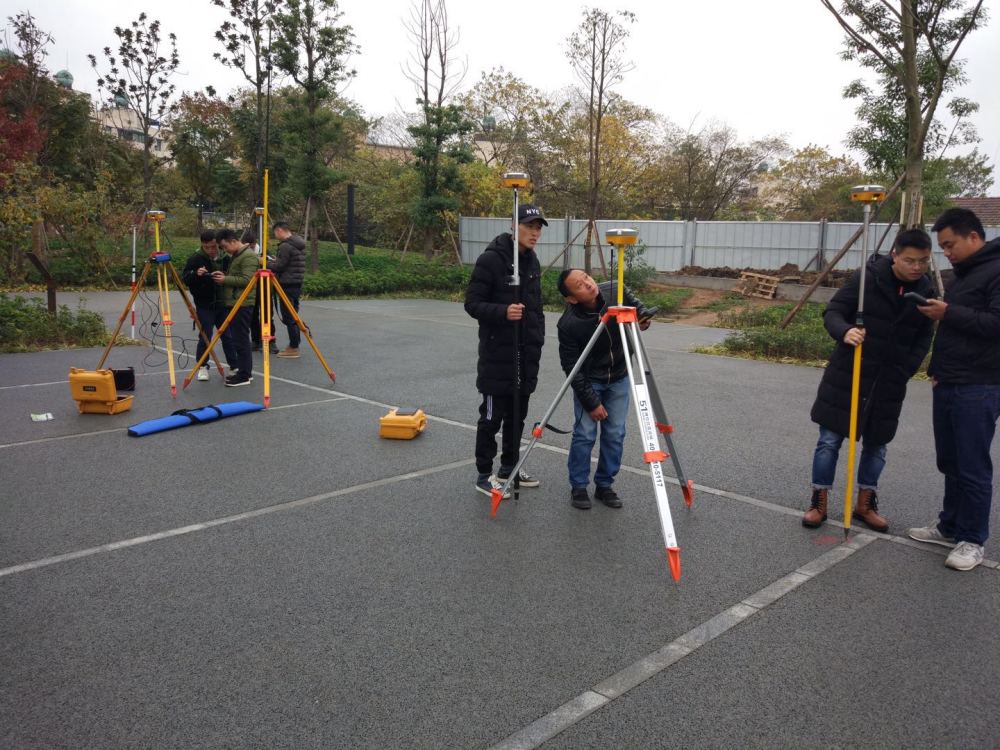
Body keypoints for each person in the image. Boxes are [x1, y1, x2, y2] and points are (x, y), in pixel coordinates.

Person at [803, 229, 935, 532]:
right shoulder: (867, 280)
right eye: (910, 260)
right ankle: (818, 500)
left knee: (877, 445)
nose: (917, 267)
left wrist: (906, 368)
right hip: (848, 375)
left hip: (889, 381)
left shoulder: (926, 291)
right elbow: (833, 312)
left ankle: (865, 503)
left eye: (924, 261)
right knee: (829, 441)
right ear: (895, 255)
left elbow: (924, 336)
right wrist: (845, 331)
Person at [908, 208, 1000, 571]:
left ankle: (972, 539)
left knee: (972, 463)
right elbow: (956, 332)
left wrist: (948, 313)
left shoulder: (996, 270)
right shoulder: (966, 274)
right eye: (943, 247)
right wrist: (937, 371)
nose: (946, 252)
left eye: (950, 245)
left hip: (980, 383)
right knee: (950, 459)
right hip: (949, 380)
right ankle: (950, 526)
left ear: (973, 236)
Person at [464, 203, 547, 497]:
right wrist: (502, 312)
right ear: (514, 226)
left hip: (526, 354)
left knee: (517, 416)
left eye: (538, 228)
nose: (534, 233)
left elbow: (536, 308)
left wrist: (537, 338)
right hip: (498, 355)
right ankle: (484, 475)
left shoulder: (532, 262)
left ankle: (510, 467)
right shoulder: (491, 259)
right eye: (528, 226)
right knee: (491, 418)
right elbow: (472, 303)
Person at [556, 269, 653, 510]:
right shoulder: (569, 324)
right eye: (579, 285)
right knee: (585, 434)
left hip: (619, 375)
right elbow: (572, 368)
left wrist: (642, 317)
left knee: (615, 433)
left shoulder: (613, 290)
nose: (588, 284)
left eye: (586, 278)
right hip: (590, 380)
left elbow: (634, 303)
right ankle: (579, 486)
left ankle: (605, 485)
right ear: (571, 298)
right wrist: (591, 402)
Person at [212, 228, 260, 387]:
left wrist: (225, 279)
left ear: (233, 241)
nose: (225, 250)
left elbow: (247, 280)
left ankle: (244, 375)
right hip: (235, 301)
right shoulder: (238, 255)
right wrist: (224, 276)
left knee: (241, 340)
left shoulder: (248, 256)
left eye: (225, 246)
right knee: (238, 339)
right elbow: (238, 276)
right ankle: (244, 372)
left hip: (242, 303)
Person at [181, 230, 225, 381]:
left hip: (223, 302)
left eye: (213, 246)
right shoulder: (195, 258)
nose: (211, 250)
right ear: (202, 245)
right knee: (205, 335)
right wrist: (196, 274)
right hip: (204, 304)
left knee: (228, 335)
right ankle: (202, 366)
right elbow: (185, 279)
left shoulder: (225, 256)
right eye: (207, 247)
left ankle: (234, 365)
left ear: (217, 244)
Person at [270, 222, 307, 358]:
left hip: (286, 284)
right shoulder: (298, 243)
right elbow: (288, 263)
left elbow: (280, 266)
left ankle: (293, 346)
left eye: (275, 233)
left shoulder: (285, 246)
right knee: (293, 315)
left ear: (279, 230)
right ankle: (294, 344)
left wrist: (264, 263)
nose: (275, 236)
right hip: (296, 283)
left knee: (288, 317)